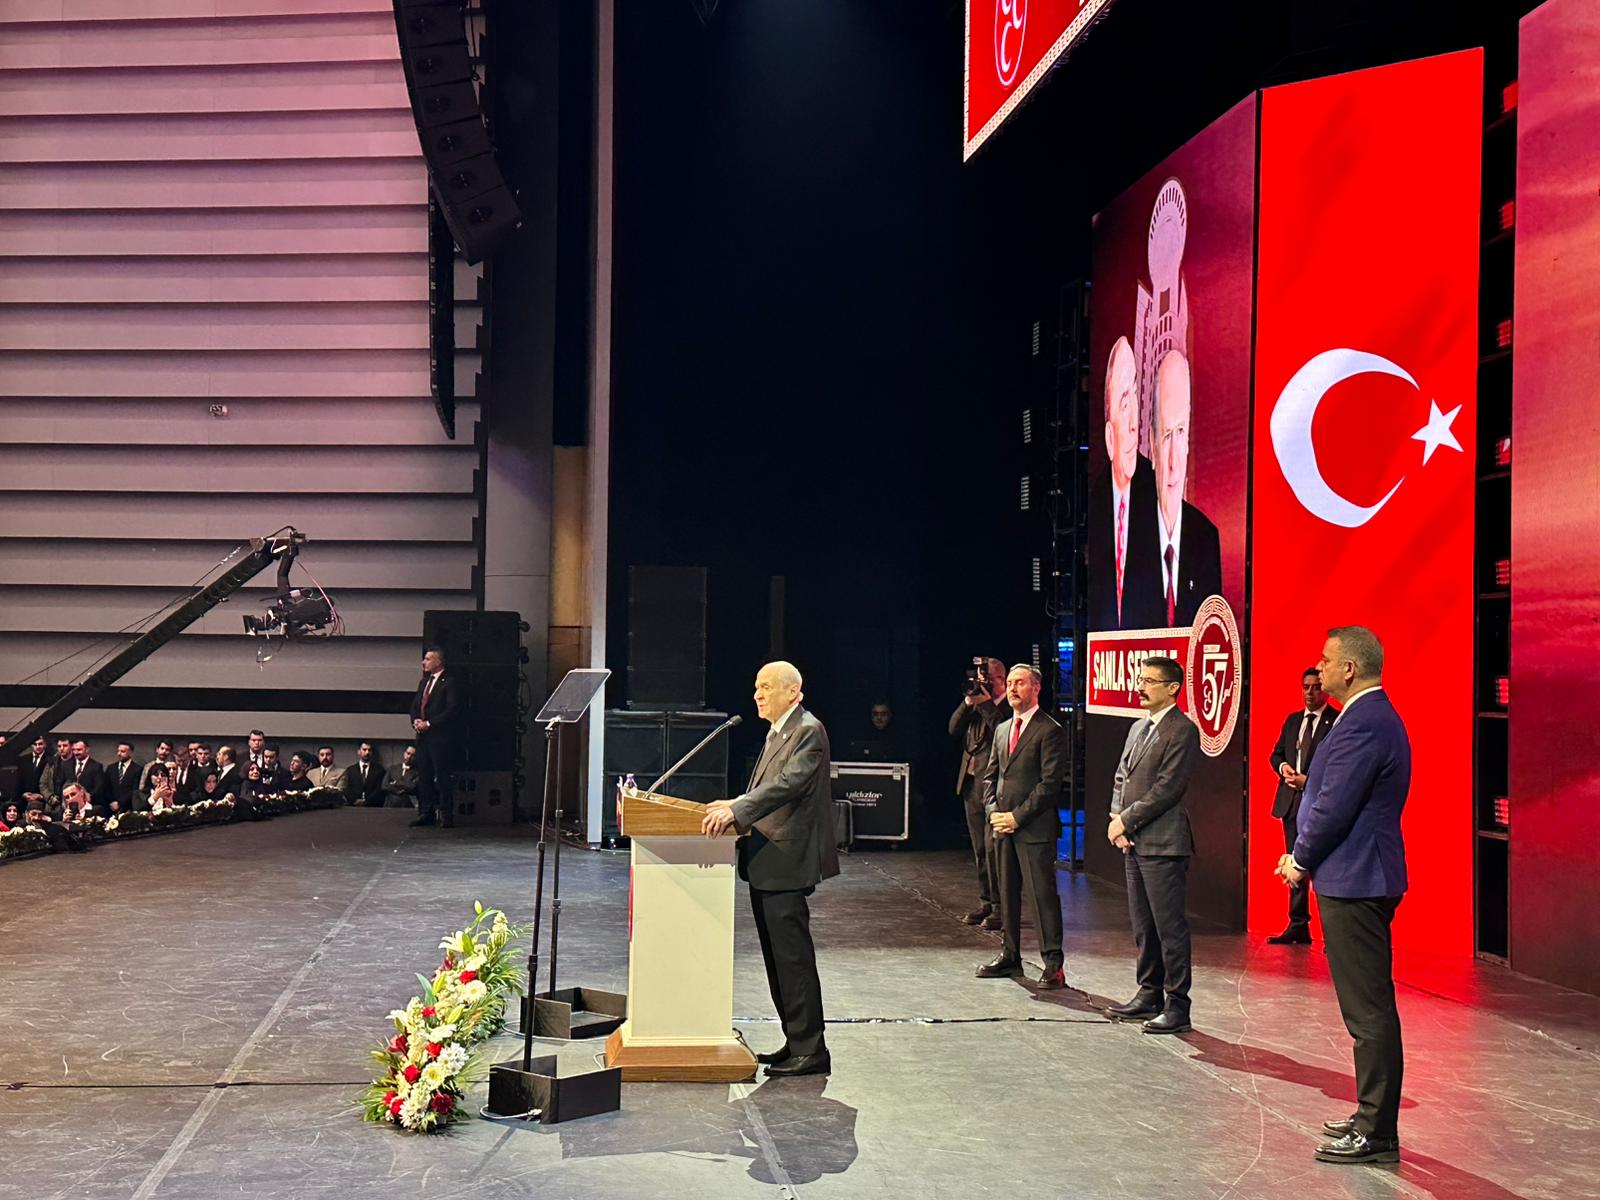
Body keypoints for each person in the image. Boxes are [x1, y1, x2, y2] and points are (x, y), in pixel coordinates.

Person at [1276, 627, 1409, 1165]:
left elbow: (1334, 804)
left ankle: (1377, 1131)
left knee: (1368, 1011)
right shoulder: (1364, 718)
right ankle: (1369, 1115)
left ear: (1349, 668)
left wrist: (1299, 859)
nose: (1320, 667)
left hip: (1357, 879)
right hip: (1354, 875)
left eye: (1326, 660)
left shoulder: (1363, 722)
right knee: (1365, 1008)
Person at [701, 661, 839, 1077]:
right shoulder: (779, 731)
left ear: (792, 691)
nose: (757, 695)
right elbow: (766, 787)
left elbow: (789, 785)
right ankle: (795, 1041)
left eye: (766, 687)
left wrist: (738, 810)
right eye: (756, 687)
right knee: (778, 960)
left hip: (787, 861)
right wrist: (736, 804)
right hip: (766, 859)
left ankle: (811, 1049)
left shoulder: (808, 730)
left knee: (793, 960)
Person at [1104, 655, 1201, 1034]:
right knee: (1143, 925)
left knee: (1169, 928)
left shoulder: (1182, 730)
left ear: (1172, 688)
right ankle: (1149, 993)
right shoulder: (1137, 727)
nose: (1140, 687)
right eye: (1140, 679)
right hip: (1133, 841)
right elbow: (1121, 776)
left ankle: (1178, 1005)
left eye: (1149, 681)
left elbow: (1167, 788)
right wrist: (1117, 818)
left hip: (1164, 843)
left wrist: (1126, 820)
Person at [976, 664, 1067, 989]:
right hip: (1002, 828)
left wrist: (1016, 817)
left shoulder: (1050, 730)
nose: (1013, 689)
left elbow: (1049, 785)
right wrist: (993, 812)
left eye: (1021, 683)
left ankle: (1053, 964)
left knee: (1042, 897)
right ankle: (1010, 955)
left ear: (1036, 688)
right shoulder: (1002, 729)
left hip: (1033, 830)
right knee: (1006, 895)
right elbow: (990, 777)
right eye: (1011, 683)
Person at [1128, 350, 1221, 627]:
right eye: (1166, 435)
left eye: (1180, 433)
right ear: (1152, 444)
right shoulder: (1129, 540)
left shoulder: (1205, 537)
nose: (1172, 462)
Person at [1088, 336, 1162, 630]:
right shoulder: (1096, 499)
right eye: (1123, 403)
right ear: (1109, 435)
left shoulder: (1158, 491)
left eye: (1135, 395)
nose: (1134, 422)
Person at [1266, 668, 1336, 944]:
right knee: (1293, 862)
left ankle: (1331, 933)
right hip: (1291, 802)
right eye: (1306, 687)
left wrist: (1308, 781)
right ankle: (1298, 924)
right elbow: (1276, 754)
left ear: (1325, 690)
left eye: (1316, 687)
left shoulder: (1337, 721)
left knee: (1323, 865)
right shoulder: (1293, 720)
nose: (1310, 692)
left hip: (1319, 802)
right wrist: (1283, 767)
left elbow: (1337, 768)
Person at [948, 657, 1009, 929]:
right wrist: (967, 703)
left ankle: (1001, 907)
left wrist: (985, 705)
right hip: (971, 784)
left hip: (994, 788)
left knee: (994, 849)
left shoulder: (1008, 707)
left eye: (987, 680)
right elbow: (953, 729)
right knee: (980, 850)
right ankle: (986, 901)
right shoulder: (974, 707)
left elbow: (1003, 735)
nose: (981, 685)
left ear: (1001, 681)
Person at [409, 646, 461, 828]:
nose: (424, 662)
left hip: (440, 738)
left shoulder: (449, 682)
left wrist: (429, 723)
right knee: (424, 776)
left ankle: (446, 814)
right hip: (423, 738)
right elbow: (415, 705)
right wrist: (416, 720)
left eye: (428, 659)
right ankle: (426, 812)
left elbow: (452, 709)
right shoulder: (424, 682)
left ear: (438, 662)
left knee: (442, 776)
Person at [343, 742, 386, 806]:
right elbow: (346, 789)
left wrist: (366, 802)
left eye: (369, 750)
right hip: (353, 806)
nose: (367, 752)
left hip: (373, 806)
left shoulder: (379, 770)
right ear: (358, 752)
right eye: (364, 750)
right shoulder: (350, 770)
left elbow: (379, 789)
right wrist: (354, 801)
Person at [106, 741, 140, 816]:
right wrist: (111, 802)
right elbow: (106, 787)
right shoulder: (111, 768)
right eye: (118, 751)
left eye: (122, 751)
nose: (119, 753)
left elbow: (135, 790)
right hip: (110, 809)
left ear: (130, 753)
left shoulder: (137, 769)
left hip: (128, 808)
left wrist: (120, 803)